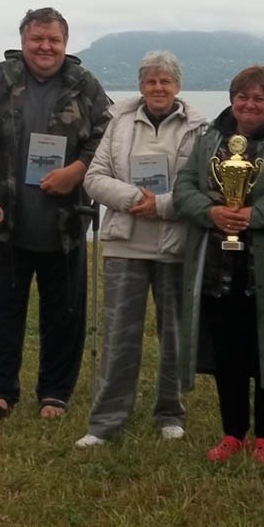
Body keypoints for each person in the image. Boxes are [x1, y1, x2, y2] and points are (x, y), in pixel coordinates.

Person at [0, 7, 111, 424]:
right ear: (23, 41)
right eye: (37, 39)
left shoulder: (84, 84)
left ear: (65, 43)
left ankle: (55, 393)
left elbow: (109, 135)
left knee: (65, 315)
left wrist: (78, 170)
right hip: (6, 220)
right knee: (3, 313)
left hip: (66, 222)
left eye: (53, 40)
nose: (45, 47)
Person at [173, 65, 264, 464]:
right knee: (228, 352)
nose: (249, 105)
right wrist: (212, 211)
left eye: (259, 98)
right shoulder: (207, 140)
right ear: (232, 99)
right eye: (242, 97)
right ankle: (233, 433)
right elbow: (184, 187)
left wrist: (254, 214)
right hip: (218, 266)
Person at [73, 51, 207, 447]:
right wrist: (135, 199)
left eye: (165, 81)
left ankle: (170, 411)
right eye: (151, 81)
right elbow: (94, 178)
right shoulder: (117, 123)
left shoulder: (201, 128)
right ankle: (104, 422)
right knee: (118, 336)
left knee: (174, 335)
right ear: (141, 86)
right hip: (124, 245)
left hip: (174, 246)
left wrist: (162, 206)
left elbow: (205, 187)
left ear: (178, 86)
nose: (158, 88)